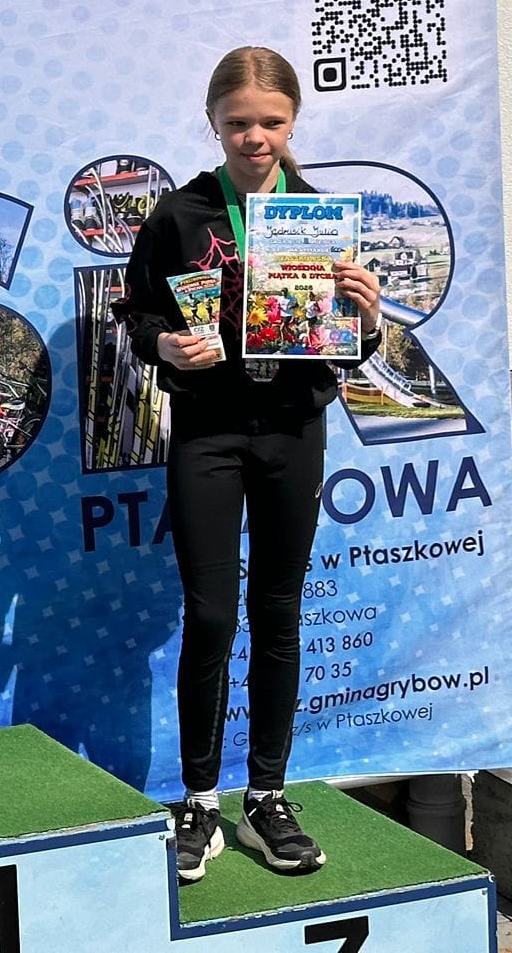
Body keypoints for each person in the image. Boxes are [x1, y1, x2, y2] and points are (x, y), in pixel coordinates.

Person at [123, 47, 382, 884]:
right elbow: (138, 316)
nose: (255, 137)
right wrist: (165, 345)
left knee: (278, 613)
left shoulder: (319, 216)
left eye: (271, 121)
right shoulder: (180, 214)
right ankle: (199, 801)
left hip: (292, 428)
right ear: (213, 122)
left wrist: (369, 319)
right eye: (238, 122)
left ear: (293, 120)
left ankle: (267, 796)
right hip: (208, 432)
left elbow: (348, 343)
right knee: (209, 615)